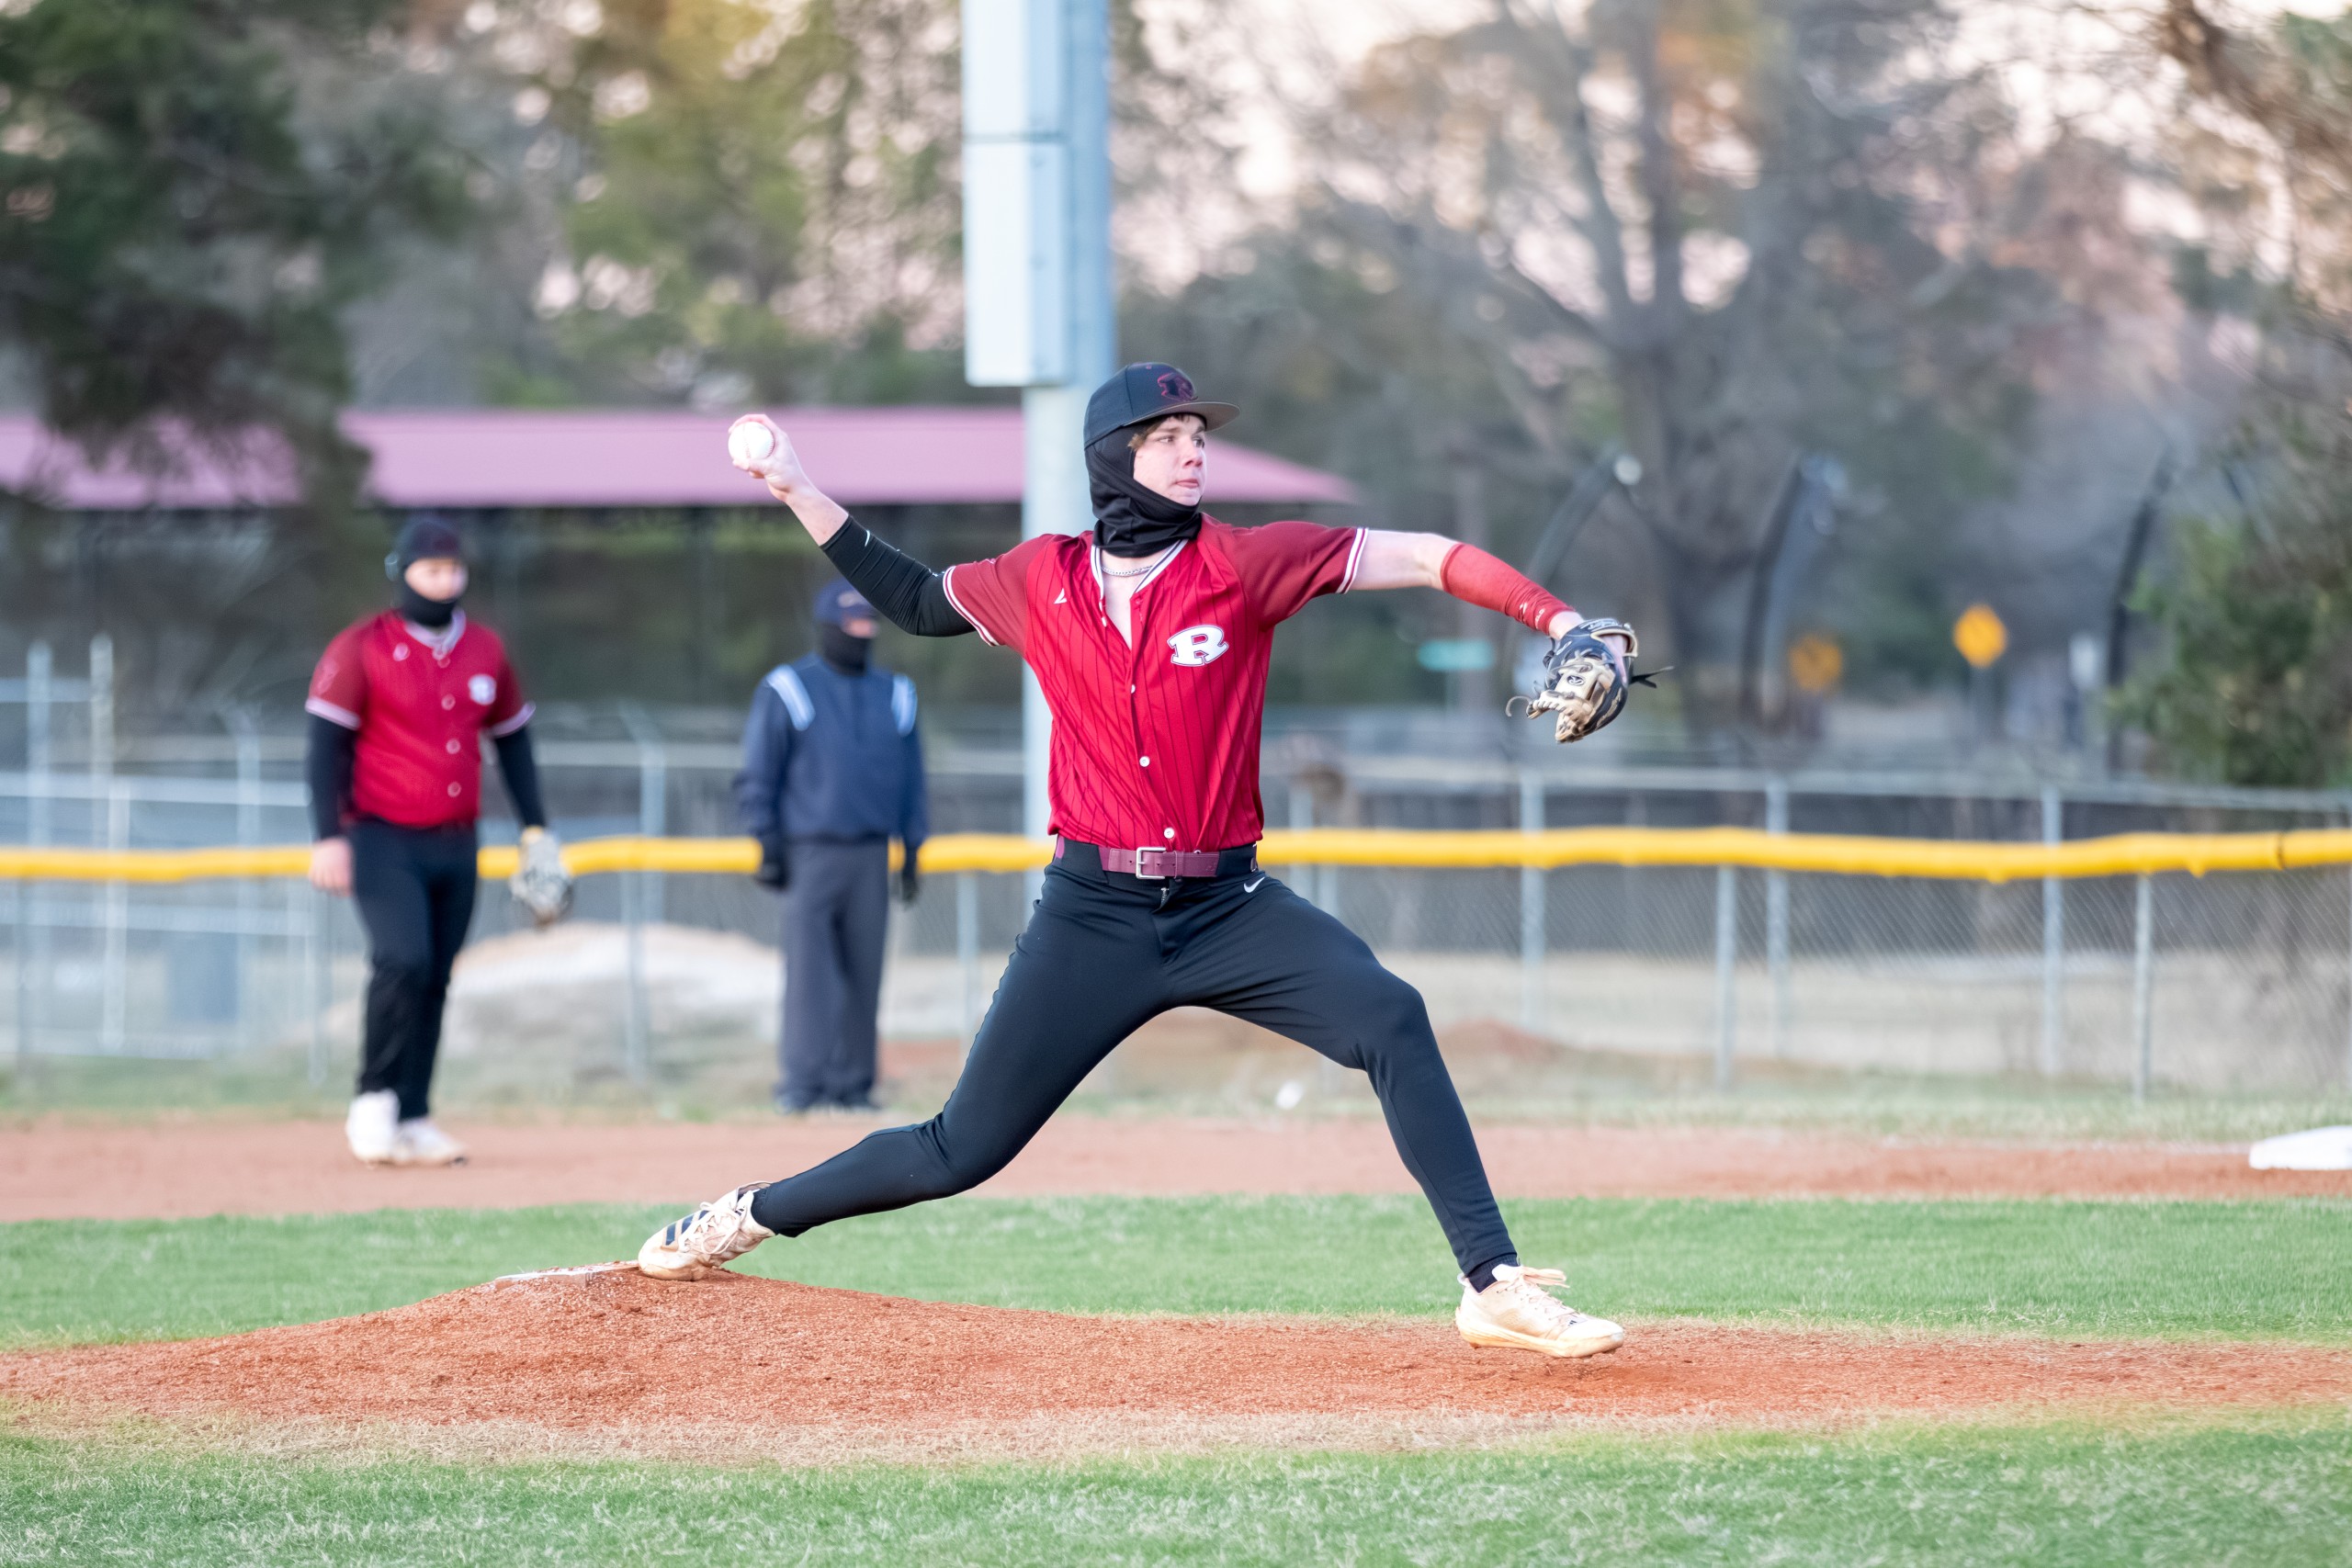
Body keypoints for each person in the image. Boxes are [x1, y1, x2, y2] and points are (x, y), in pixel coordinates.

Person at [637, 364, 1634, 1360]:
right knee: (959, 1150)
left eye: (1198, 434)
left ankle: (1492, 1284)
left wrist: (1561, 622)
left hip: (1227, 907)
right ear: (1115, 455)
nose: (1193, 449)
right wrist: (797, 486)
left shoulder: (1245, 564)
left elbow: (1426, 556)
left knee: (1391, 1017)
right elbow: (917, 600)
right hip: (1092, 913)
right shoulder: (1041, 578)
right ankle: (746, 1214)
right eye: (1167, 435)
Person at [306, 513, 553, 1168]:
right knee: (403, 960)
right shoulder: (362, 646)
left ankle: (414, 1114)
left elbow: (513, 742)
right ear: (403, 572)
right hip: (381, 834)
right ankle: (373, 1098)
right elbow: (325, 747)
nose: (444, 582)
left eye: (452, 570)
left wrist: (536, 828)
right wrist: (327, 836)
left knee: (437, 974)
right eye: (431, 570)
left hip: (457, 840)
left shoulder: (485, 650)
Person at [737, 578, 928, 1112]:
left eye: (869, 623)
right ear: (827, 626)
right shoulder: (788, 688)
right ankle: (802, 1084)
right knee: (809, 974)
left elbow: (913, 780)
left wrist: (913, 849)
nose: (862, 632)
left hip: (871, 852)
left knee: (865, 974)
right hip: (809, 850)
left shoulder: (897, 693)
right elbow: (759, 770)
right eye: (851, 623)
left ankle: (854, 1085)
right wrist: (766, 840)